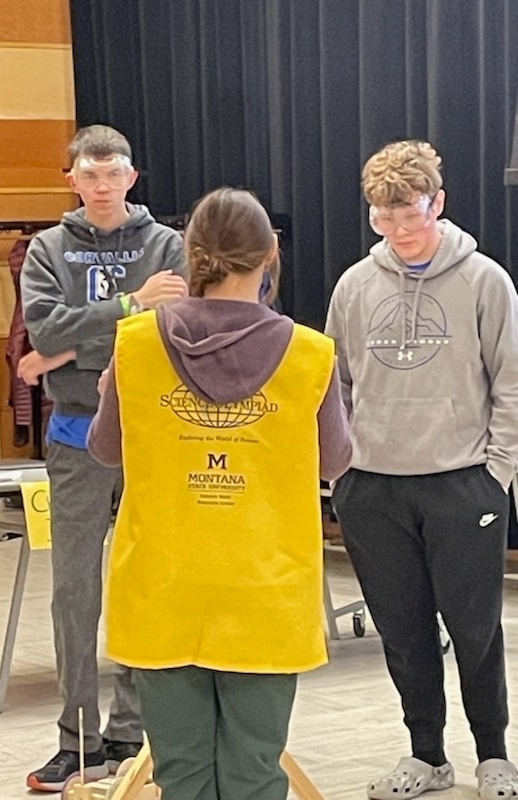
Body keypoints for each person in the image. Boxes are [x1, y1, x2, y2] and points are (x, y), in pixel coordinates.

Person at [87, 186, 352, 800]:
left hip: (163, 583)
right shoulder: (310, 354)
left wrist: (113, 392)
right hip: (265, 590)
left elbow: (104, 450)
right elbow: (336, 461)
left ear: (191, 255)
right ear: (270, 255)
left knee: (179, 774)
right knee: (255, 772)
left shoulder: (136, 342)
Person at [325, 139, 518, 800]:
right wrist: (344, 473)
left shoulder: (485, 281)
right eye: (384, 218)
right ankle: (426, 754)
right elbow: (337, 385)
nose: (401, 230)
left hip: (464, 482)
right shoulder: (354, 286)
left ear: (438, 202)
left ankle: (493, 753)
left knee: (474, 630)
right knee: (404, 632)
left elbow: (512, 382)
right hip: (374, 488)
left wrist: (497, 471)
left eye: (411, 214)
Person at [19, 124, 188, 792]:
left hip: (150, 436)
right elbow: (46, 330)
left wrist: (107, 345)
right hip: (74, 437)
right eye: (88, 175)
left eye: (112, 173)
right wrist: (129, 307)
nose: (100, 187)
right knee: (74, 591)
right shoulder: (47, 249)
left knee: (143, 584)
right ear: (72, 180)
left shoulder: (165, 244)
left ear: (131, 176)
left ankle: (130, 732)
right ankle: (77, 739)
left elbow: (175, 326)